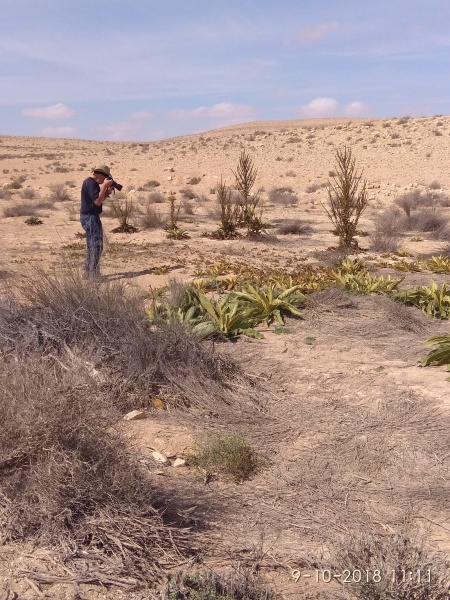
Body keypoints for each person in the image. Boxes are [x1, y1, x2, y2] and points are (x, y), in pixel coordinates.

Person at [80, 165, 114, 278]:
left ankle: (89, 272)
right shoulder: (90, 183)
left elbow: (99, 199)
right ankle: (92, 274)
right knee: (96, 245)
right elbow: (97, 202)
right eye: (106, 178)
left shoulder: (91, 183)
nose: (105, 181)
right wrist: (104, 187)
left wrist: (107, 192)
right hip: (90, 217)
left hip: (91, 216)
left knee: (92, 245)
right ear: (101, 174)